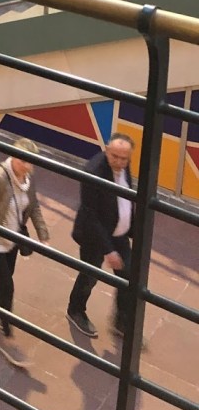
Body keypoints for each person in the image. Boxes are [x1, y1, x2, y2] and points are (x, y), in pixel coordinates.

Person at [67, 133, 135, 339]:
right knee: (90, 276)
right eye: (115, 157)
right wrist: (109, 250)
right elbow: (90, 215)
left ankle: (121, 321)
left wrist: (132, 228)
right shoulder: (93, 172)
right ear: (107, 150)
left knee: (128, 277)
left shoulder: (123, 165)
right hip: (94, 236)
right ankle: (75, 310)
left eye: (124, 159)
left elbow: (126, 197)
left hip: (118, 233)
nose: (120, 162)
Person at [0, 137, 50, 337]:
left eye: (30, 162)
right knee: (8, 285)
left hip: (12, 241)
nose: (27, 166)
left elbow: (34, 206)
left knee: (5, 275)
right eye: (23, 161)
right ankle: (6, 325)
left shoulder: (28, 180)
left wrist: (43, 235)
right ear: (13, 156)